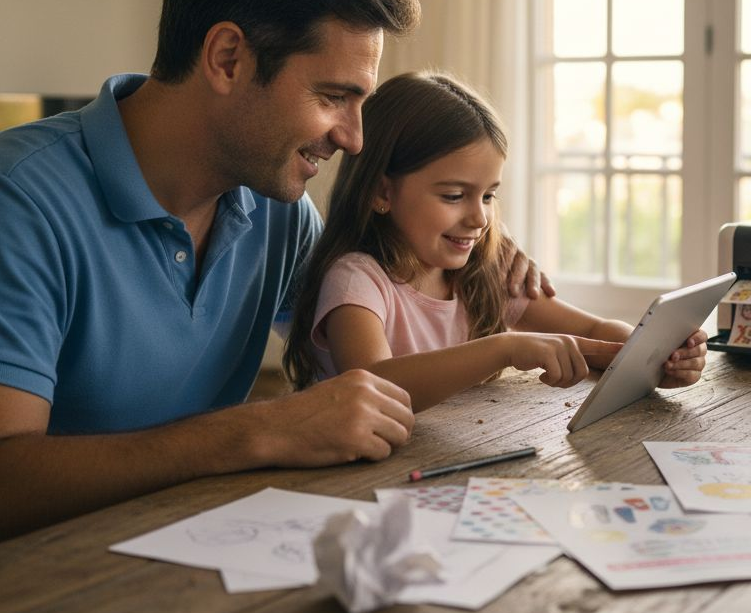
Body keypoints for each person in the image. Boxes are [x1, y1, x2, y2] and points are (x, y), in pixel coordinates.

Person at [0, 0, 549, 581]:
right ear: (228, 59)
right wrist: (257, 429)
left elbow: (379, 324)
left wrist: (482, 249)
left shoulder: (281, 215)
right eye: (334, 96)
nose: (354, 138)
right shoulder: (8, 201)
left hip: (164, 565)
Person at [282, 72, 708, 411]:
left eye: (488, 195)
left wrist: (652, 357)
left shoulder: (486, 269)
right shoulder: (356, 280)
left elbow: (592, 331)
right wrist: (503, 349)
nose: (480, 217)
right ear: (381, 193)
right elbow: (372, 384)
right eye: (454, 196)